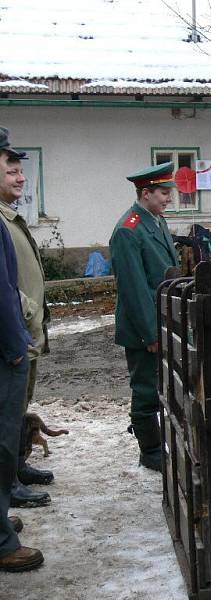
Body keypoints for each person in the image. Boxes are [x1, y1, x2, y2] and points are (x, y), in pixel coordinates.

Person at [110, 163, 179, 472]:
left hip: (163, 321)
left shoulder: (154, 221)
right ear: (146, 193)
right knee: (146, 388)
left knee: (163, 384)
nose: (169, 199)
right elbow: (134, 289)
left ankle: (160, 443)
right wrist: (150, 333)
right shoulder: (128, 230)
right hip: (144, 327)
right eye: (164, 193)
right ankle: (149, 451)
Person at [0, 128, 52, 510]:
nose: (20, 177)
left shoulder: (10, 216)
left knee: (18, 408)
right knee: (6, 415)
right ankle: (8, 484)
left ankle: (15, 469)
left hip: (22, 331)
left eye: (20, 170)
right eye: (11, 169)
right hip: (13, 334)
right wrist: (27, 317)